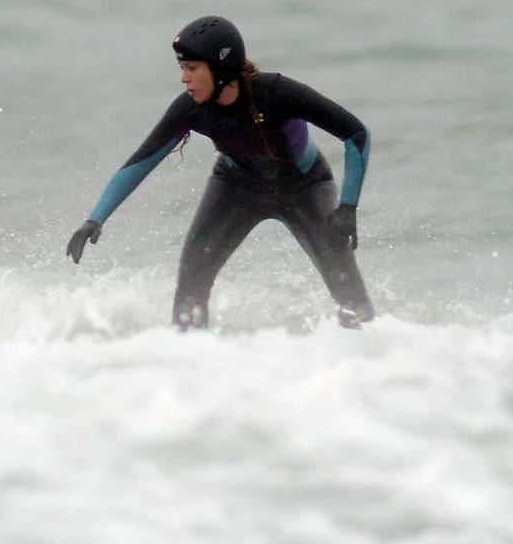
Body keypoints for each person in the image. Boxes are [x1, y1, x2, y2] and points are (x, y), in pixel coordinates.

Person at [66, 16, 375, 329]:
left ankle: (368, 354)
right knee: (192, 278)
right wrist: (95, 218)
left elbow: (355, 134)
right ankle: (192, 359)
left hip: (305, 187)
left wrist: (347, 207)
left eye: (192, 68)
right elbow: (141, 162)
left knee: (344, 281)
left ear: (221, 67)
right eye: (182, 68)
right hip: (236, 187)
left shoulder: (277, 93)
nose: (184, 79)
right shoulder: (190, 108)